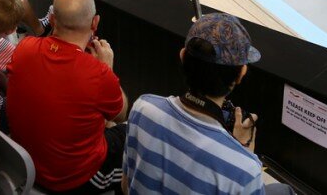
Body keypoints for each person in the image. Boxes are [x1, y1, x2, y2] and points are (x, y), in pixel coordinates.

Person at [123, 13, 289, 195]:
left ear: (183, 55)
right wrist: (242, 151)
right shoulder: (244, 169)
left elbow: (126, 186)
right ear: (241, 73)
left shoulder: (143, 107)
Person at [6, 0, 128, 193]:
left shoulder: (24, 48)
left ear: (52, 20)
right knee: (129, 131)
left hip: (25, 163)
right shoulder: (97, 73)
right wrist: (107, 68)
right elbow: (120, 113)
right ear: (95, 23)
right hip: (73, 180)